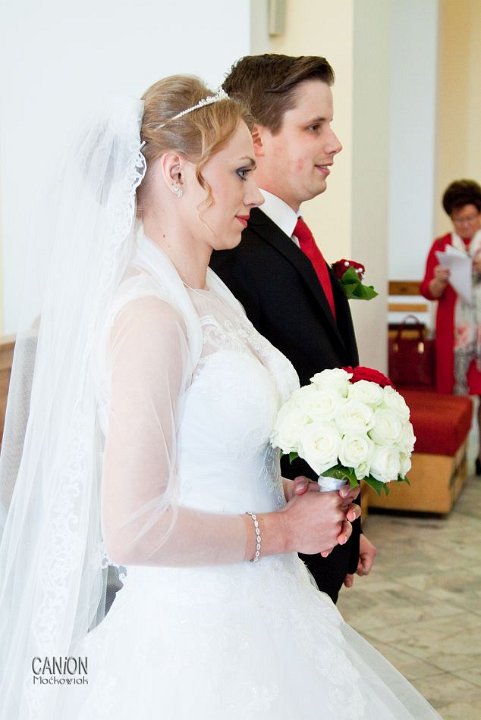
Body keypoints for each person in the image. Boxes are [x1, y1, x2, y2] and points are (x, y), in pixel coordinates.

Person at [0, 75, 440, 719]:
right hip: (196, 635)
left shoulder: (211, 293)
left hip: (266, 603)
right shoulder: (149, 314)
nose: (255, 193)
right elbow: (132, 530)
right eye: (239, 172)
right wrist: (284, 529)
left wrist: (281, 492)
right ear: (177, 174)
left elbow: (206, 460)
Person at [211, 53, 376, 602]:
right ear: (257, 139)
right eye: (314, 127)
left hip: (320, 534)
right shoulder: (231, 252)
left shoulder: (293, 239)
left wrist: (347, 521)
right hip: (277, 549)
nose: (335, 143)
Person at [420, 179, 481, 473]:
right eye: (459, 220)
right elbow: (427, 291)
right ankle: (457, 462)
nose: (465, 225)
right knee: (454, 398)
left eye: (470, 218)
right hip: (453, 335)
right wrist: (439, 280)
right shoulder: (441, 245)